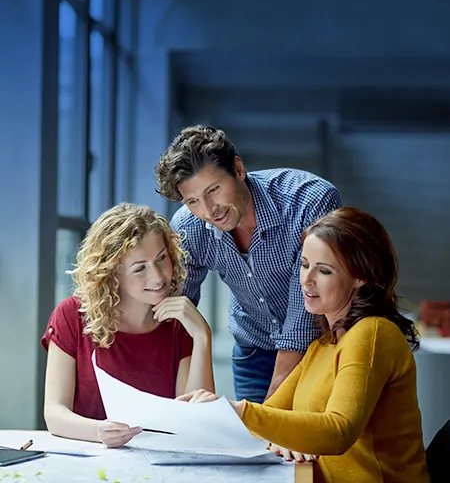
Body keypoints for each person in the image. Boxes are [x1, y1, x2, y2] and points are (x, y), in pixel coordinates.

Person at [176, 207, 430, 483]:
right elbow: (272, 416)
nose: (306, 280)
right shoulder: (323, 343)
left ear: (361, 277)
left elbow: (338, 431)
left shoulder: (372, 332)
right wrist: (279, 437)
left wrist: (236, 410)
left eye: (324, 270)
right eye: (305, 264)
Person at [155, 125, 341, 402]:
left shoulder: (307, 202)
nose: (208, 210)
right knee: (256, 444)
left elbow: (305, 312)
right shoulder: (189, 226)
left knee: (309, 441)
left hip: (322, 349)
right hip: (254, 350)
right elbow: (174, 306)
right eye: (193, 200)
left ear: (238, 170)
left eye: (214, 189)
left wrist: (269, 412)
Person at [41, 203, 214, 448]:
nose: (158, 276)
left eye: (162, 258)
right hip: (88, 458)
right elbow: (55, 413)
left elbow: (198, 422)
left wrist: (202, 336)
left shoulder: (180, 325)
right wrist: (98, 431)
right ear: (112, 274)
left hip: (160, 461)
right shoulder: (71, 315)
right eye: (140, 268)